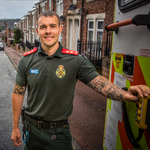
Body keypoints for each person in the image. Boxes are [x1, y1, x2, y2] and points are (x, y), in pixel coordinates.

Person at [11, 10, 150, 150]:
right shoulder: (26, 60)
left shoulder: (75, 60)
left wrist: (125, 94)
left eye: (52, 26)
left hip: (58, 134)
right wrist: (15, 126)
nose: (48, 31)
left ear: (60, 29)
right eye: (43, 27)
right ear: (37, 31)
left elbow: (100, 83)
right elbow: (18, 93)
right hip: (31, 131)